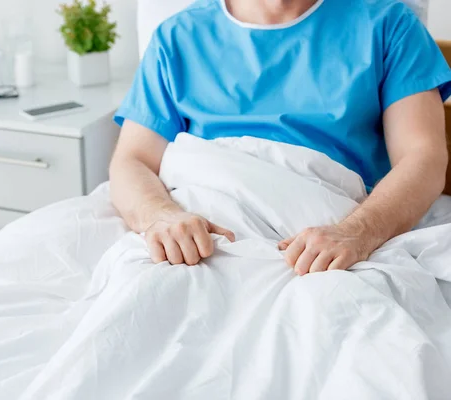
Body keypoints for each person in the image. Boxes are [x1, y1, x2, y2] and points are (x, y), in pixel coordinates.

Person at [109, 0, 451, 275]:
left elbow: (424, 157)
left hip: (327, 235)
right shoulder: (177, 37)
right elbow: (132, 159)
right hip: (203, 231)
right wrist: (160, 216)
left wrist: (357, 232)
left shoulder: (389, 25)